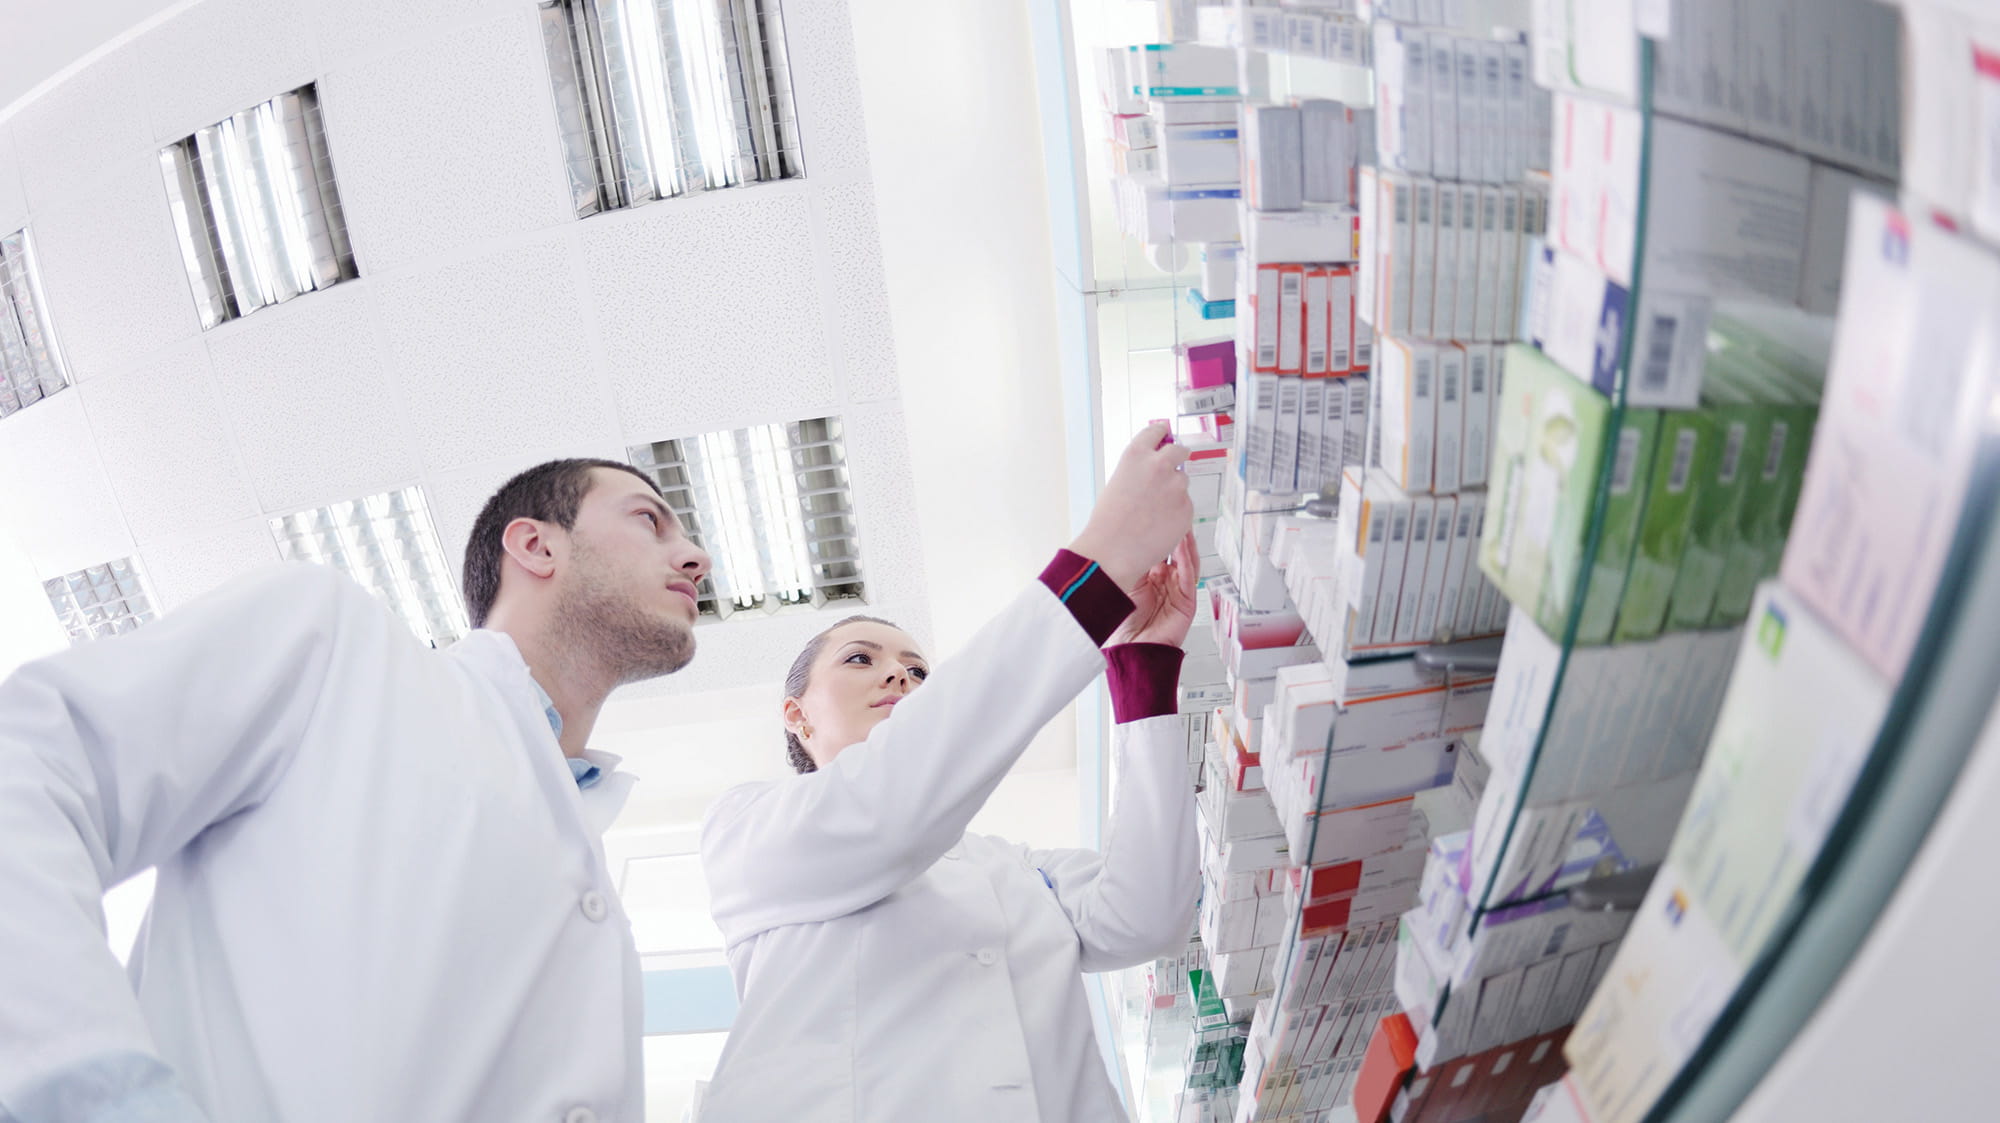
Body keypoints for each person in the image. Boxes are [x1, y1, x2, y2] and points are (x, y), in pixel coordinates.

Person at [0, 459, 710, 1122]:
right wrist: (91, 1089)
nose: (696, 558)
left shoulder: (586, 863)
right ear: (535, 545)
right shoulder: (334, 642)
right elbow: (33, 764)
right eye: (650, 520)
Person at [698, 423, 1202, 1123]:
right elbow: (885, 811)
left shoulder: (1016, 868)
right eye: (860, 659)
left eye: (918, 671)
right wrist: (1103, 564)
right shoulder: (747, 829)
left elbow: (1146, 918)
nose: (899, 676)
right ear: (797, 715)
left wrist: (1142, 669)